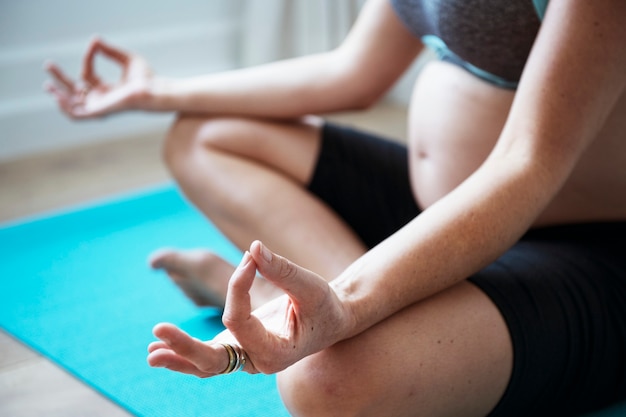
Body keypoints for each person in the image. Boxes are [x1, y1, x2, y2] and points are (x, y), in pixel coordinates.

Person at [44, 0, 626, 415]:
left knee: (325, 386)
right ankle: (313, 307)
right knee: (203, 135)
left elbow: (526, 164)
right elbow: (354, 72)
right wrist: (157, 94)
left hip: (586, 246)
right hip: (444, 207)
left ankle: (327, 306)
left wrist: (347, 304)